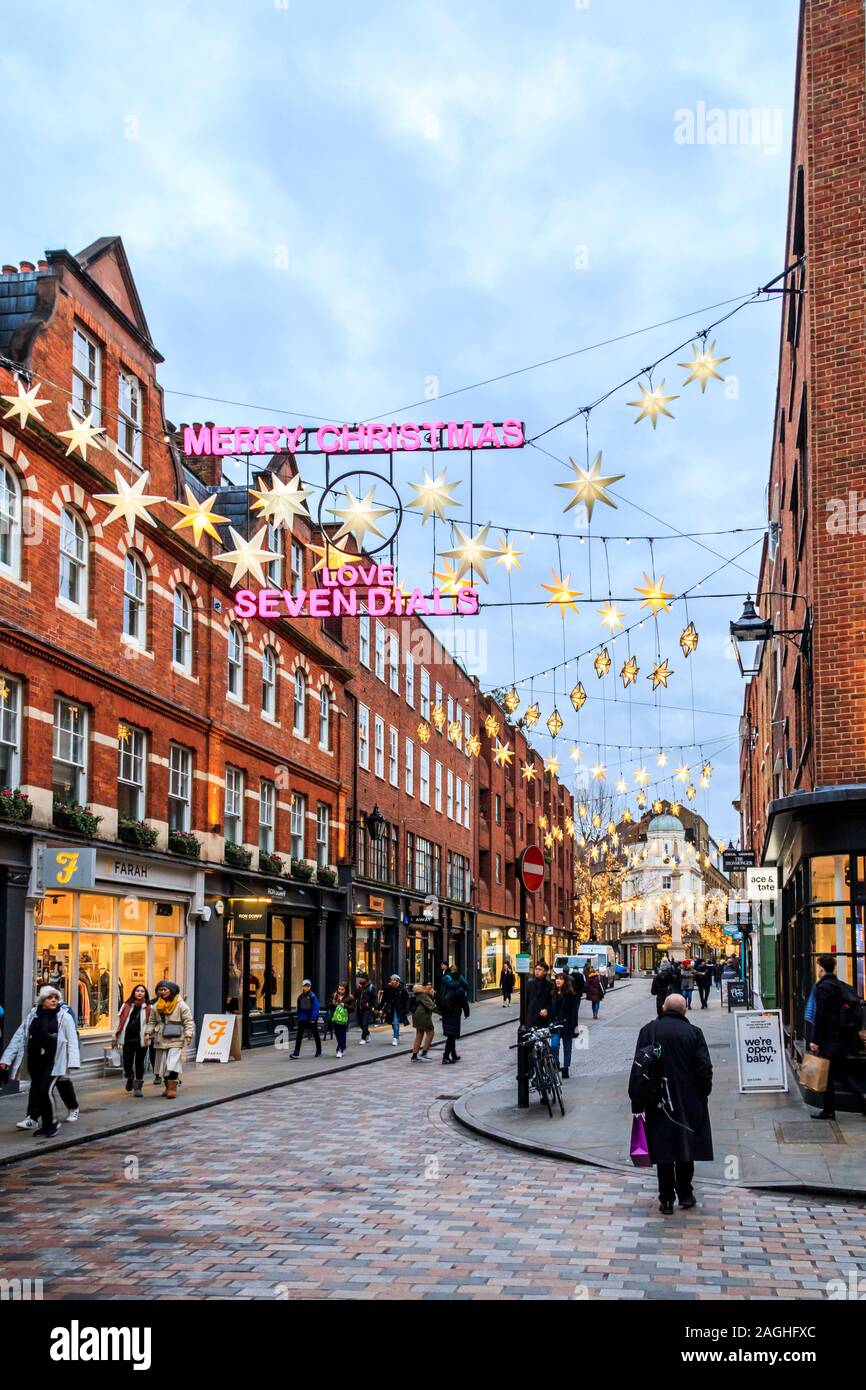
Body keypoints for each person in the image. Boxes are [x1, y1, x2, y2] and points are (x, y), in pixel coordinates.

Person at [629, 993, 713, 1215]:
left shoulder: (648, 1031)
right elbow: (704, 1067)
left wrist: (637, 1101)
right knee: (686, 1145)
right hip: (688, 1099)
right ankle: (685, 1192)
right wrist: (704, 1091)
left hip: (658, 1099)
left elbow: (639, 1067)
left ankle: (666, 1198)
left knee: (663, 1148)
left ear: (663, 1007)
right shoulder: (694, 1033)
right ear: (685, 1010)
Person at [0, 986, 80, 1137]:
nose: (54, 1000)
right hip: (35, 1060)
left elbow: (72, 1040)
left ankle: (53, 1122)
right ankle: (42, 1123)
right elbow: (19, 1037)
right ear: (42, 1001)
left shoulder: (64, 1016)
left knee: (46, 1090)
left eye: (56, 997)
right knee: (37, 1090)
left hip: (55, 1061)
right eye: (50, 998)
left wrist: (73, 1061)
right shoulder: (33, 1016)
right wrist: (6, 1059)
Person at [809, 954, 866, 1119]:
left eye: (818, 966)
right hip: (842, 1039)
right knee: (840, 1075)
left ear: (821, 968)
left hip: (830, 1040)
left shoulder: (823, 987)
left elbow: (821, 1015)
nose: (817, 969)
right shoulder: (839, 985)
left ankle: (829, 1110)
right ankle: (838, 1108)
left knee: (833, 1075)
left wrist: (815, 1040)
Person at [143, 981, 194, 1098]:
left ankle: (172, 1088)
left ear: (171, 990)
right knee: (163, 1064)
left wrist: (188, 1035)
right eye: (160, 990)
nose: (162, 992)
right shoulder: (156, 1005)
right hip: (160, 1037)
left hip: (176, 1037)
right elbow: (152, 1021)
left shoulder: (181, 1005)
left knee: (173, 1063)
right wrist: (147, 1033)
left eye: (165, 989)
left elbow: (188, 1021)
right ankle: (167, 1087)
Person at [115, 984, 152, 1096]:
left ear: (145, 993)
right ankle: (130, 1076)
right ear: (134, 992)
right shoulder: (126, 1005)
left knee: (139, 1062)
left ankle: (138, 1088)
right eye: (137, 991)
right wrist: (115, 1035)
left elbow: (152, 1023)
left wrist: (149, 1033)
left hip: (142, 1039)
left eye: (142, 991)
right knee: (127, 1062)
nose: (139, 993)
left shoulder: (149, 1007)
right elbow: (119, 1020)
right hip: (128, 1038)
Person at [549, 971, 578, 1078]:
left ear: (565, 981)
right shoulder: (552, 994)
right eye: (557, 978)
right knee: (554, 1046)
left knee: (567, 1048)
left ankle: (566, 1068)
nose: (558, 980)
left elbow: (574, 1013)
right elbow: (550, 1010)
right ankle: (556, 1063)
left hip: (567, 1025)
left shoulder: (570, 995)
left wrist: (574, 1027)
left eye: (561, 979)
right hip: (555, 1025)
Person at [439, 973, 470, 1063]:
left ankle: (453, 1055)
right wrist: (466, 1013)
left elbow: (439, 998)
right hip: (454, 1014)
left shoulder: (445, 987)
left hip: (445, 1013)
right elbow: (464, 1002)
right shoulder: (459, 989)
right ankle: (445, 1057)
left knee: (451, 1035)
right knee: (451, 1036)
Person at [290, 979, 322, 1058]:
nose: (306, 987)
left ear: (310, 987)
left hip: (311, 1018)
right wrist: (299, 1017)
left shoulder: (312, 996)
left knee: (315, 1034)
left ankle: (319, 1050)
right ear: (302, 987)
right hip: (302, 1019)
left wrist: (313, 1018)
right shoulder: (300, 997)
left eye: (308, 986)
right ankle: (296, 1052)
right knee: (299, 1036)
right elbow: (299, 1008)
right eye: (305, 986)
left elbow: (316, 1007)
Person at [379, 975, 410, 1046]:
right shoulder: (388, 989)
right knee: (393, 1024)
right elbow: (383, 1000)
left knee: (395, 1022)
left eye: (394, 980)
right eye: (391, 980)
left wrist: (407, 1009)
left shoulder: (402, 989)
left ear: (397, 981)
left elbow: (407, 1000)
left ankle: (395, 1038)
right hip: (390, 1009)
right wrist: (379, 1008)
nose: (392, 981)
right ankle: (396, 1035)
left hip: (399, 1009)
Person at [410, 982, 437, 1061]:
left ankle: (415, 1055)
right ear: (423, 987)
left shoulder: (420, 994)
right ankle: (424, 1053)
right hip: (423, 1016)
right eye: (427, 985)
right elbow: (432, 1006)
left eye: (430, 985)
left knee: (419, 1034)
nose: (430, 986)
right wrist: (444, 1013)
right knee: (430, 1032)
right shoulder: (423, 995)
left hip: (417, 1016)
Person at [525, 961, 553, 1027]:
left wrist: (547, 1009)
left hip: (543, 1019)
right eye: (536, 969)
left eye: (540, 969)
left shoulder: (550, 986)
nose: (537, 971)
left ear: (545, 972)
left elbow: (552, 1002)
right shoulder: (529, 984)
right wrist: (523, 1019)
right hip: (530, 1019)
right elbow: (525, 1002)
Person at [329, 982, 354, 1058]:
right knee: (336, 1033)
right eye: (339, 989)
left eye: (342, 989)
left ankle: (339, 1049)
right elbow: (329, 1005)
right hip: (336, 1017)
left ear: (345, 990)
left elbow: (352, 1008)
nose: (340, 990)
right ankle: (343, 1046)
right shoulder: (334, 995)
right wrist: (332, 1004)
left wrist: (345, 1005)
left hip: (344, 1017)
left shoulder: (350, 997)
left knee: (342, 1033)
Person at [355, 974, 376, 1045]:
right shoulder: (359, 987)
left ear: (366, 980)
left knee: (365, 1023)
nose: (360, 979)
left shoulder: (371, 987)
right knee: (360, 1023)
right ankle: (368, 1033)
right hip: (359, 1008)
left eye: (362, 978)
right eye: (360, 978)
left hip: (367, 1008)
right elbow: (355, 996)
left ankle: (363, 1038)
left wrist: (374, 1007)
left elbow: (374, 998)